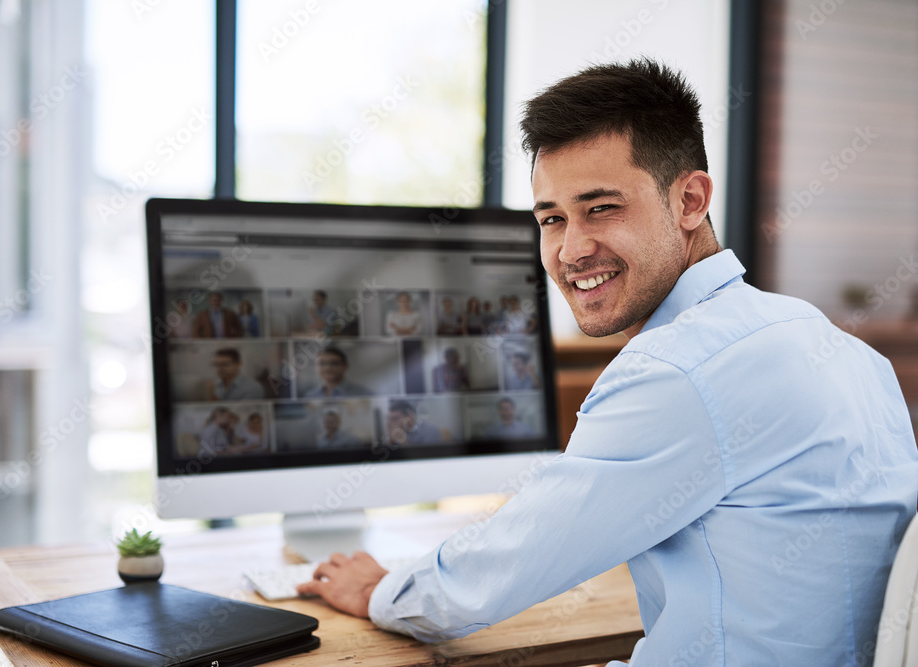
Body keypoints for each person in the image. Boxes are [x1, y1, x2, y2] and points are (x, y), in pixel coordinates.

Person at [296, 59, 918, 665]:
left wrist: (380, 591)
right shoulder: (844, 351)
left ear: (690, 200)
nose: (571, 249)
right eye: (551, 219)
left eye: (601, 209)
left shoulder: (681, 369)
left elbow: (499, 573)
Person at [302, 346, 371, 398]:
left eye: (334, 363)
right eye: (322, 363)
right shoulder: (310, 396)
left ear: (345, 366)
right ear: (316, 367)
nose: (328, 368)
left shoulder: (364, 394)